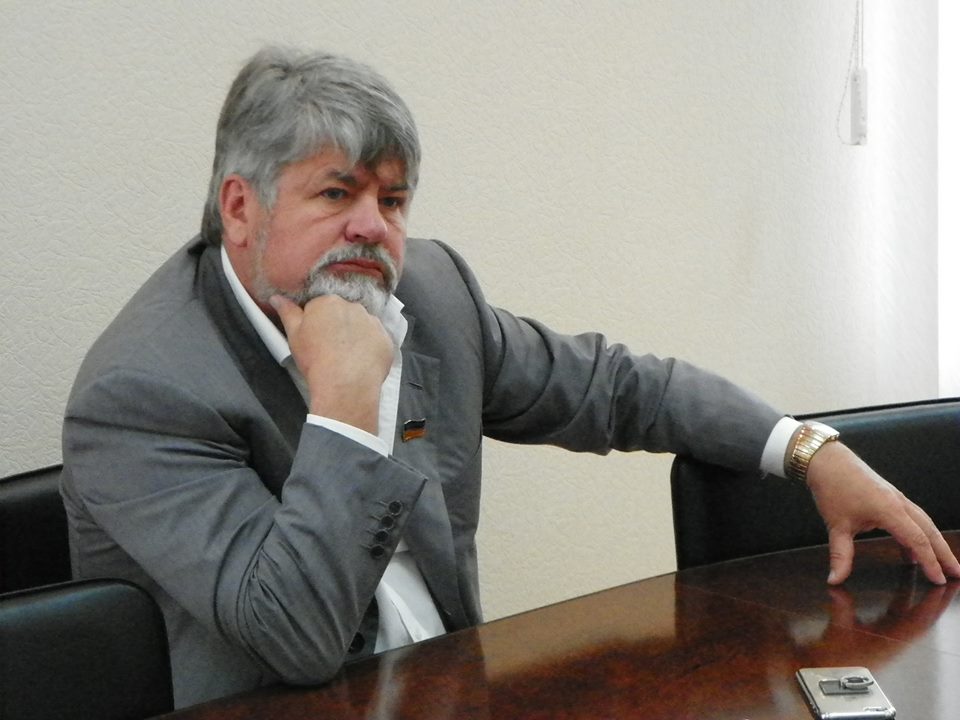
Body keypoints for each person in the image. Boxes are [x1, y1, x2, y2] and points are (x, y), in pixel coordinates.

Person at [61, 46, 960, 709]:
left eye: (393, 199)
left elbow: (615, 388)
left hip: (451, 691)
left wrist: (808, 450)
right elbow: (295, 639)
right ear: (240, 207)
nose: (373, 228)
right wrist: (344, 407)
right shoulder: (142, 394)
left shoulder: (430, 294)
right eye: (336, 193)